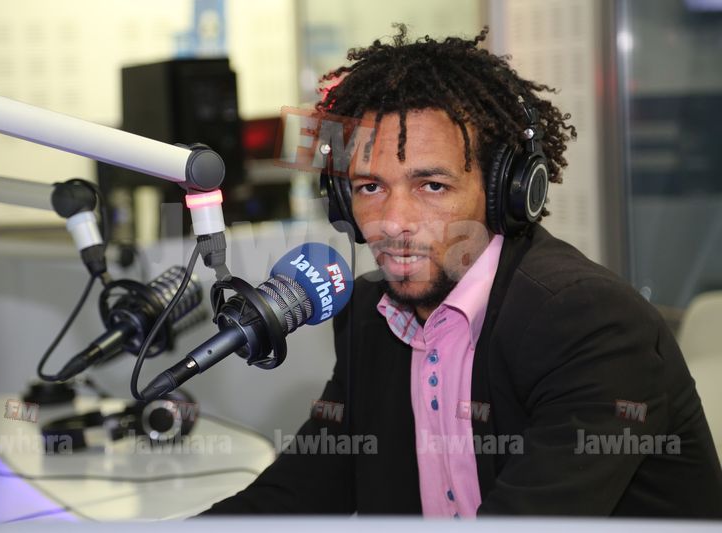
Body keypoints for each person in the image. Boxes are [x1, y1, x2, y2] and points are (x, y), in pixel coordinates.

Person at [201, 25, 722, 517]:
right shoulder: (369, 315)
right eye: (370, 186)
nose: (393, 221)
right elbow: (304, 487)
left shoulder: (589, 322)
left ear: (502, 193)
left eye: (432, 186)